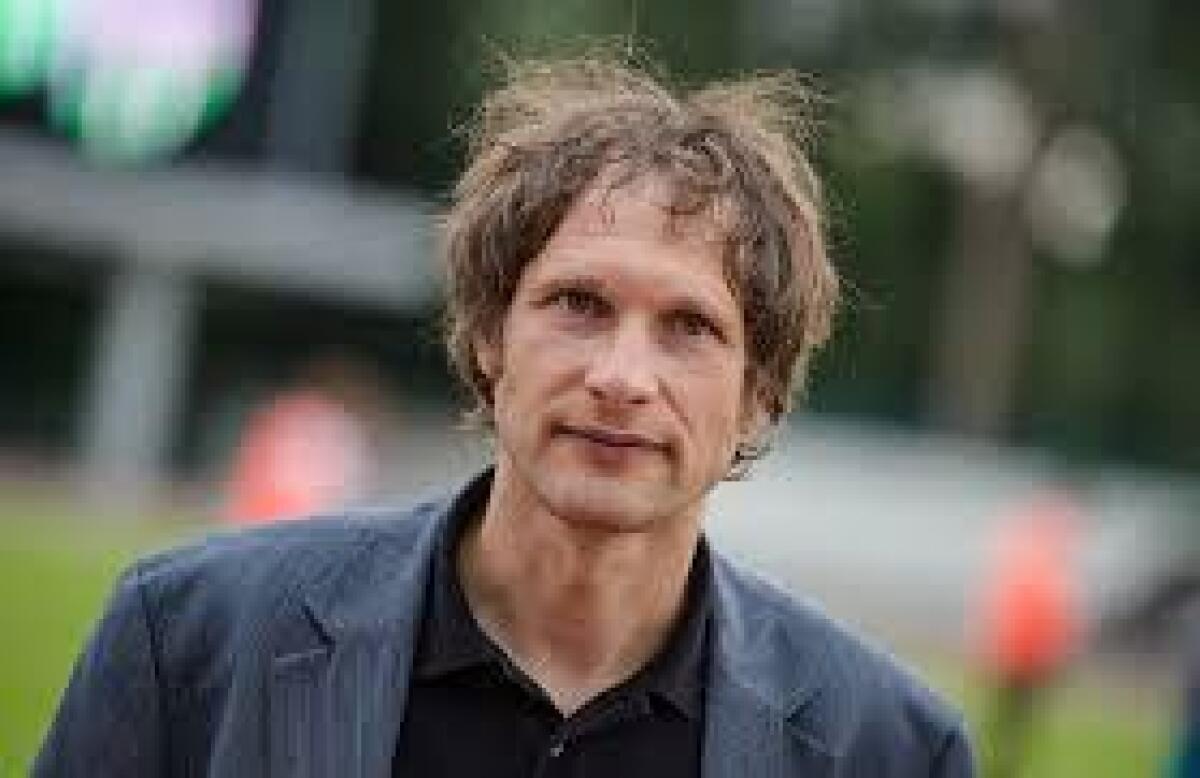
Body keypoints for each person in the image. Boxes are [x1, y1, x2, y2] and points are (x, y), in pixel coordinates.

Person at [35, 54, 975, 777]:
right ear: (490, 336)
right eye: (579, 304)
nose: (622, 377)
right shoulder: (185, 640)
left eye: (690, 327)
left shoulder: (892, 752)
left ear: (760, 391)